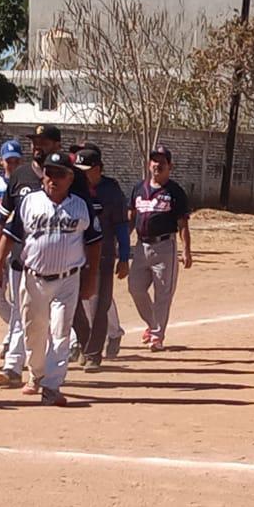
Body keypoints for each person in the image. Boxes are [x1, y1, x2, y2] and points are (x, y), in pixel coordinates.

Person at [0, 150, 101, 405]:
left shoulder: (81, 205)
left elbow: (95, 242)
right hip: (33, 279)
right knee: (34, 332)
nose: (54, 179)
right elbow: (9, 234)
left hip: (68, 279)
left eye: (60, 174)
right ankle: (37, 374)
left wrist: (91, 278)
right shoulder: (29, 202)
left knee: (61, 331)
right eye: (49, 173)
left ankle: (52, 386)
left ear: (70, 178)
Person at [71, 144, 132, 369]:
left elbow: (122, 226)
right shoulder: (73, 189)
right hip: (76, 256)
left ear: (98, 169)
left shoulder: (111, 191)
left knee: (101, 304)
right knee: (73, 303)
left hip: (104, 255)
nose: (81, 174)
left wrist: (124, 257)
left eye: (86, 170)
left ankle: (93, 354)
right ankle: (84, 341)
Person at [128, 144, 193, 351]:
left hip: (165, 247)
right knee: (135, 288)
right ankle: (152, 323)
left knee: (163, 294)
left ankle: (157, 336)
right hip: (141, 246)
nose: (157, 165)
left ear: (169, 166)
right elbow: (131, 218)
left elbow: (183, 223)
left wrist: (186, 250)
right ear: (149, 164)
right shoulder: (139, 189)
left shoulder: (175, 192)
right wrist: (122, 243)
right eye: (154, 161)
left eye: (162, 162)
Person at [0, 140, 24, 336]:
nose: (12, 165)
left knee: (18, 296)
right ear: (1, 161)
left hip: (18, 245)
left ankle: (15, 336)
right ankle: (16, 327)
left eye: (16, 161)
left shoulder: (26, 184)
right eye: (9, 161)